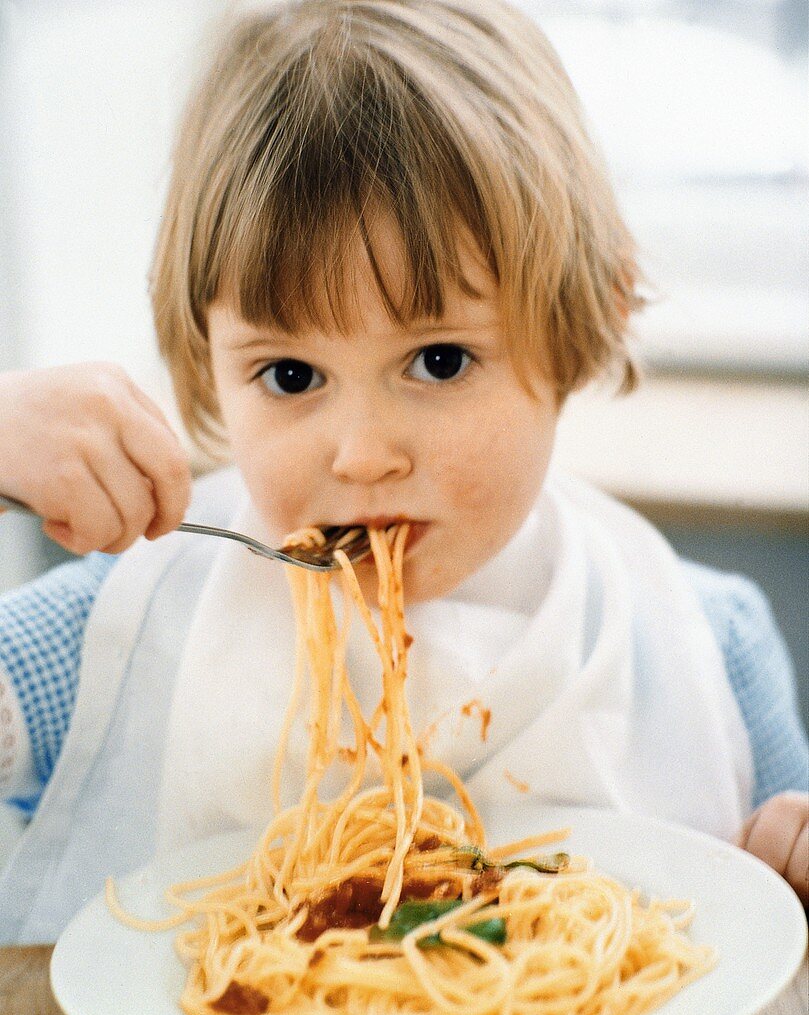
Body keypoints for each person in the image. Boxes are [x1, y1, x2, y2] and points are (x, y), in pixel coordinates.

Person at [0, 0, 805, 943]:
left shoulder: (707, 644)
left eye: (439, 361)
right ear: (206, 360)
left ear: (586, 313)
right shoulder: (120, 623)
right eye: (290, 375)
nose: (363, 454)